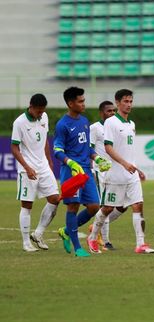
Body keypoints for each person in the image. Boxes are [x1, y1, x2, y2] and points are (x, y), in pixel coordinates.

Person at [87, 89, 154, 254]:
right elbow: (108, 148)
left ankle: (140, 244)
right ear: (118, 103)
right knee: (107, 208)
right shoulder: (111, 123)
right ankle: (93, 237)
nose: (129, 104)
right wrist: (124, 164)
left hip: (131, 176)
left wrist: (136, 169)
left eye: (131, 101)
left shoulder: (131, 124)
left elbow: (129, 151)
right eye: (125, 101)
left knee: (138, 205)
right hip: (115, 175)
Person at [54, 86, 111, 257]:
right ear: (70, 103)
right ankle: (78, 248)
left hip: (86, 170)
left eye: (83, 100)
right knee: (73, 206)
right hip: (71, 172)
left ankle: (65, 231)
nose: (83, 104)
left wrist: (98, 158)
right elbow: (57, 150)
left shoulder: (84, 121)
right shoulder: (62, 125)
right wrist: (70, 163)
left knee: (94, 207)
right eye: (80, 101)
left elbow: (86, 148)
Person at [11, 93, 59, 252]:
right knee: (27, 205)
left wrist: (49, 160)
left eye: (42, 111)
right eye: (38, 111)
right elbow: (14, 148)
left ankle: (38, 234)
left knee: (55, 199)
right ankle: (26, 243)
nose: (40, 114)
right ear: (30, 106)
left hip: (43, 166)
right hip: (27, 168)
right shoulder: (19, 122)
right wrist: (27, 167)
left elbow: (44, 140)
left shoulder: (44, 117)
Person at [89, 100, 126, 250]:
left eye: (113, 111)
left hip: (116, 171)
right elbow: (89, 149)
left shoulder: (117, 126)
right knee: (107, 205)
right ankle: (105, 241)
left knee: (123, 205)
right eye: (108, 111)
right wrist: (95, 164)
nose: (111, 113)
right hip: (101, 172)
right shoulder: (95, 128)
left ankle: (96, 227)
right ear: (101, 113)